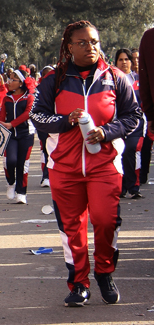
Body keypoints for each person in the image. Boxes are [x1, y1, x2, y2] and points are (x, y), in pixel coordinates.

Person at [30, 21, 141, 306]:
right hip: (64, 168)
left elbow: (133, 116)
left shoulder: (115, 77)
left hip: (104, 165)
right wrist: (64, 121)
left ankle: (104, 271)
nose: (90, 47)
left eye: (94, 41)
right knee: (71, 228)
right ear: (69, 47)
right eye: (82, 43)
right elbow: (38, 116)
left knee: (106, 221)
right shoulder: (53, 80)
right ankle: (79, 283)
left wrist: (106, 132)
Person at [0, 70, 36, 204]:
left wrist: (12, 124)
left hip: (26, 134)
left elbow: (27, 114)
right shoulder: (6, 98)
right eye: (9, 79)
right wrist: (0, 125)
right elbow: (2, 115)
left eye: (13, 79)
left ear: (21, 83)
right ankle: (11, 183)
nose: (9, 82)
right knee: (10, 161)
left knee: (22, 164)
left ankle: (21, 192)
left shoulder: (29, 97)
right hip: (10, 135)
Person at [114, 49, 143, 199]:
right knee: (120, 153)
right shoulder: (110, 79)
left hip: (136, 125)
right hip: (117, 124)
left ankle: (134, 186)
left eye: (127, 59)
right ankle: (121, 187)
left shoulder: (139, 79)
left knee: (131, 150)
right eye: (120, 59)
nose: (124, 62)